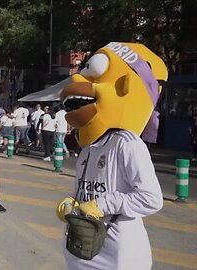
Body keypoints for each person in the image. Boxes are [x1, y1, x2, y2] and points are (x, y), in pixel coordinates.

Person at [56, 42, 167, 270]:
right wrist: (72, 201)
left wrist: (103, 204)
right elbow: (83, 189)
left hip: (119, 254)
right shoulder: (87, 147)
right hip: (81, 246)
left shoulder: (126, 144)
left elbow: (151, 199)